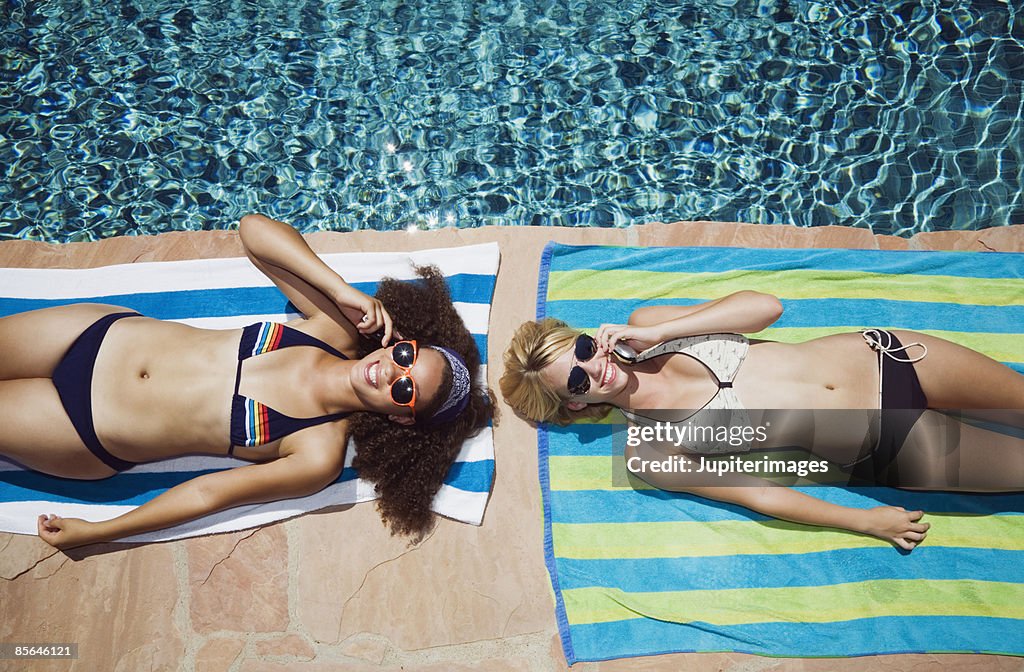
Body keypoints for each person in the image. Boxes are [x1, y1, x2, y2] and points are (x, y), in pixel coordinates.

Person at [0, 214, 492, 549]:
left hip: (82, 427)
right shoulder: (331, 328)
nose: (390, 371)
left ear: (402, 417)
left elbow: (207, 494)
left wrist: (101, 531)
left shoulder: (317, 452)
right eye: (406, 355)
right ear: (400, 342)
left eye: (405, 389)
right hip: (95, 334)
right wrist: (341, 290)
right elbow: (253, 231)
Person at [501, 290, 1024, 550]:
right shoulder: (648, 450)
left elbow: (766, 308)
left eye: (585, 349)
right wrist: (865, 521)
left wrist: (665, 333)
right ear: (573, 404)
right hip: (889, 441)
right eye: (576, 381)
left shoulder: (648, 324)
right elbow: (758, 493)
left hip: (888, 355)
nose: (596, 368)